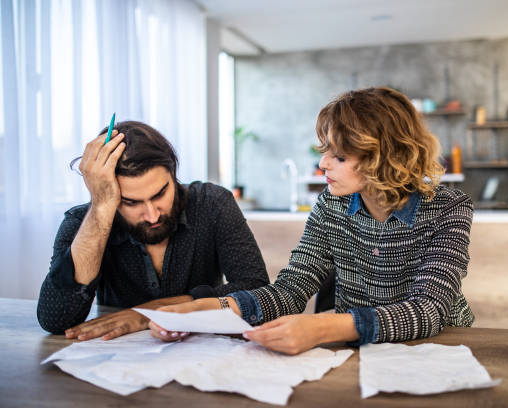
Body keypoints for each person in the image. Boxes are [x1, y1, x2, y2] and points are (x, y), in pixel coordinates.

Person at [149, 87, 475, 354]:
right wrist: (209, 310)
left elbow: (428, 310)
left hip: (438, 349)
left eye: (340, 156)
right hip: (357, 349)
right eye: (325, 151)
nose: (322, 164)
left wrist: (322, 327)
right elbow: (293, 287)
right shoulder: (331, 205)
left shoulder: (448, 209)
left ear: (386, 157)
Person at [37, 121, 269, 340]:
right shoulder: (83, 221)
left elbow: (258, 292)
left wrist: (149, 312)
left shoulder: (212, 203)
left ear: (173, 174)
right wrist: (101, 207)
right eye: (130, 202)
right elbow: (56, 319)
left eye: (160, 194)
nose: (152, 215)